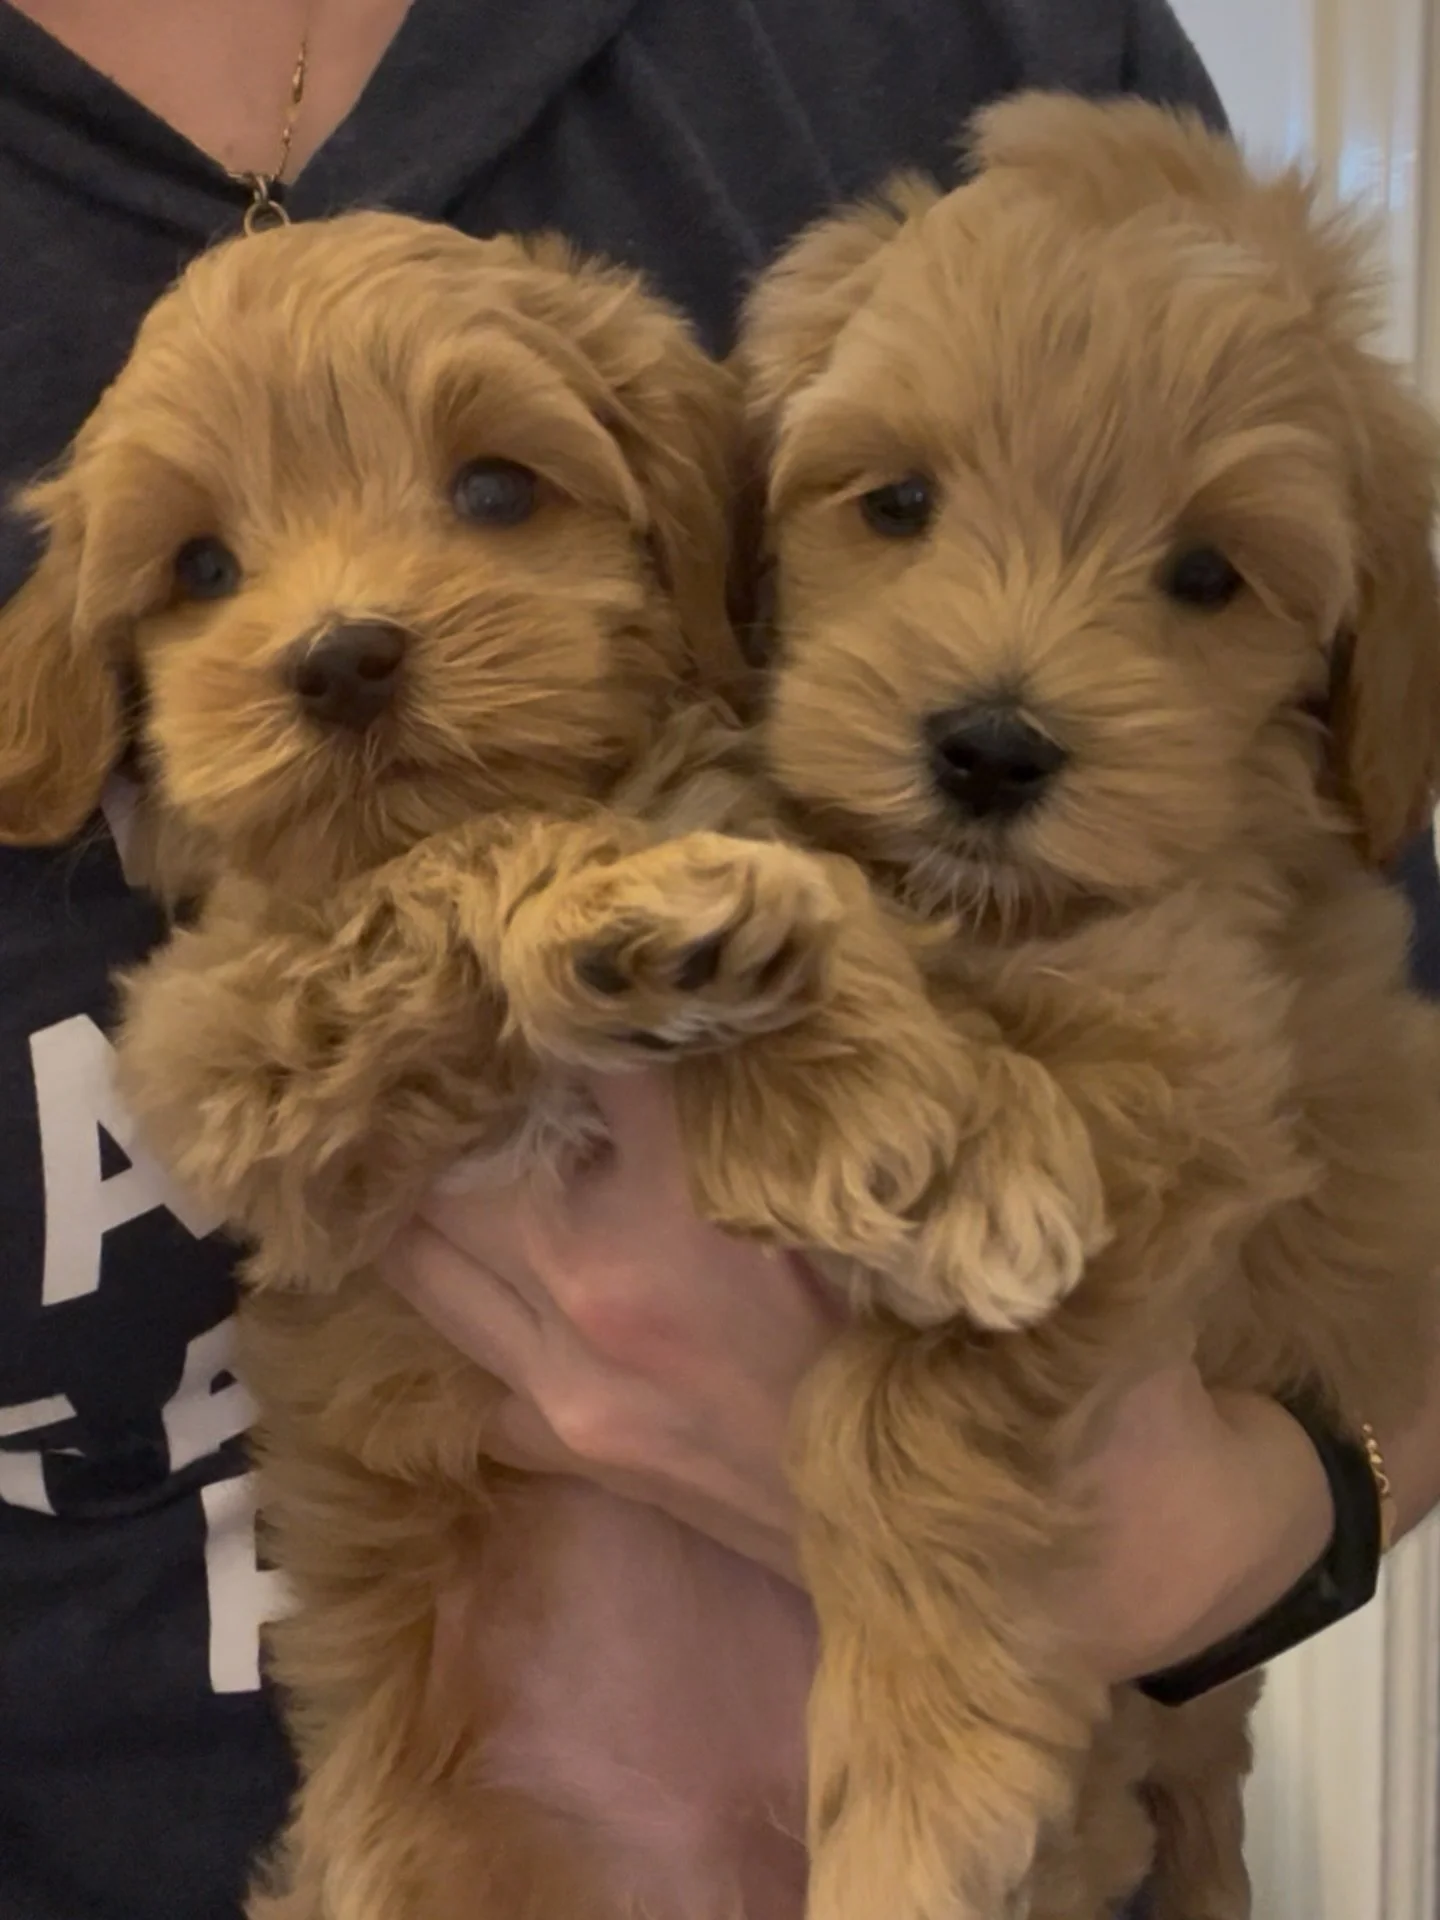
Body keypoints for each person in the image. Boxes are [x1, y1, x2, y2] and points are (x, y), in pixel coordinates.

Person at [0, 3, 1435, 1917]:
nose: (342, 625)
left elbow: (1343, 1051)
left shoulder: (982, 49)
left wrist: (1261, 1522)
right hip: (433, 1813)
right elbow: (246, 1065)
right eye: (198, 571)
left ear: (700, 522)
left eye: (498, 492)